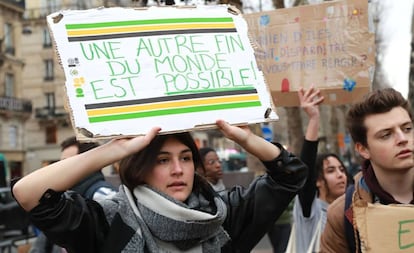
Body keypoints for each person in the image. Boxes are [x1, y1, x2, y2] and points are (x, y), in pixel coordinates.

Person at [12, 120, 308, 252]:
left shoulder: (224, 215)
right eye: (163, 160)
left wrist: (246, 139)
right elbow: (28, 193)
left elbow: (291, 175)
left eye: (186, 157)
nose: (178, 169)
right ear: (140, 168)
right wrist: (113, 150)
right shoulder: (108, 221)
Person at [320, 88, 414, 252]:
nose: (402, 139)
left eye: (407, 129)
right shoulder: (344, 214)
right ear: (363, 149)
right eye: (386, 135)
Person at [285, 86, 350, 253]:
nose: (340, 175)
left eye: (341, 169)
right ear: (318, 181)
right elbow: (306, 166)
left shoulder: (351, 210)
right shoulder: (310, 210)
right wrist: (314, 118)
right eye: (331, 170)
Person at [29, 136, 118, 253]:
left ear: (88, 163)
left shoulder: (102, 195)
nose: (61, 168)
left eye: (68, 162)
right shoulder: (66, 195)